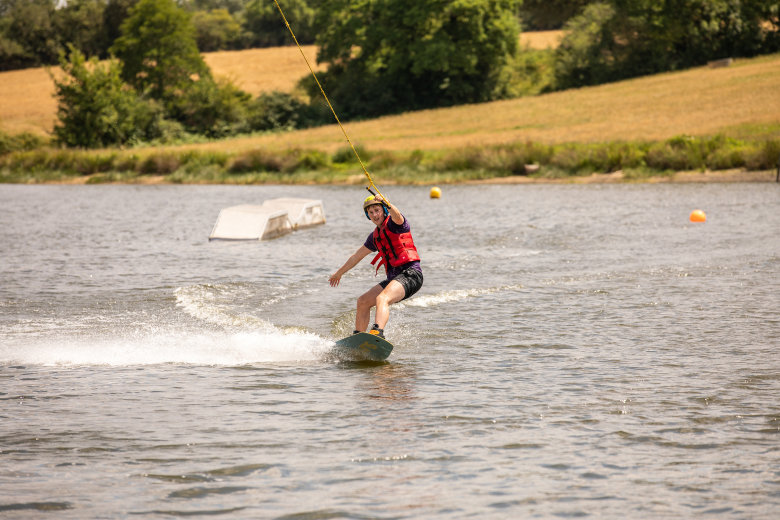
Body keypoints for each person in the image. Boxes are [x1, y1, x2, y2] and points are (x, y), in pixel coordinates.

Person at [329, 194, 423, 338]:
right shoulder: (374, 237)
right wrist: (339, 273)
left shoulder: (395, 224)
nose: (374, 215)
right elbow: (356, 256)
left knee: (381, 298)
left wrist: (387, 203)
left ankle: (377, 333)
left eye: (377, 210)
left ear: (384, 210)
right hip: (394, 278)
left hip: (411, 274)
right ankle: (358, 337)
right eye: (370, 212)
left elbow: (397, 214)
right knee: (363, 301)